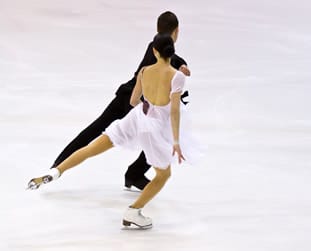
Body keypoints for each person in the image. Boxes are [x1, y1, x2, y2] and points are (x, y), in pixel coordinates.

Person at [28, 34, 190, 229]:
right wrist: (176, 142)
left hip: (136, 117)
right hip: (154, 127)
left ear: (154, 51)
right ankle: (133, 211)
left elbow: (133, 101)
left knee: (93, 147)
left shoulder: (144, 71)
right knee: (163, 175)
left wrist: (145, 106)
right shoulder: (177, 76)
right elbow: (174, 110)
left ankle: (56, 171)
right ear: (171, 50)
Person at [50, 11, 190, 190]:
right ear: (177, 31)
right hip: (137, 101)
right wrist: (182, 64)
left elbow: (170, 58)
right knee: (159, 136)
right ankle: (134, 174)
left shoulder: (155, 46)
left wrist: (181, 63)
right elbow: (169, 61)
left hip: (125, 94)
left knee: (95, 128)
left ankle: (57, 165)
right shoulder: (160, 50)